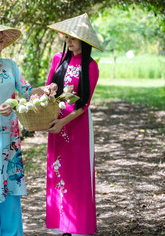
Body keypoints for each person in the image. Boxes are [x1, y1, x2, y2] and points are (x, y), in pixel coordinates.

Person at [0, 19, 56, 236]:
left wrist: (45, 88)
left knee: (11, 183)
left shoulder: (11, 65)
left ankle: (11, 231)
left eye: (1, 42)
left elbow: (26, 90)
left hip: (11, 133)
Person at [45, 13, 103, 236]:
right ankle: (61, 223)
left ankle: (78, 226)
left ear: (84, 41)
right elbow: (51, 88)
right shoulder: (58, 59)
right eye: (67, 38)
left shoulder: (91, 66)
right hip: (56, 122)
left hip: (76, 125)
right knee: (57, 171)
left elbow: (84, 104)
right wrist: (46, 94)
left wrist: (64, 123)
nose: (69, 42)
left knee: (77, 173)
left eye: (74, 39)